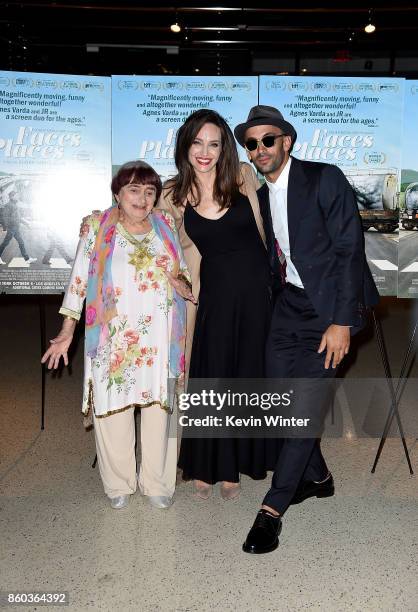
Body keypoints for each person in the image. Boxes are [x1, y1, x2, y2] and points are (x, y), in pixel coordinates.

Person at [233, 105, 380, 553]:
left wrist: (341, 322)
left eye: (267, 140)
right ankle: (316, 476)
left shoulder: (323, 177)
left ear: (287, 142)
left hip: (329, 310)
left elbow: (349, 249)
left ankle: (273, 509)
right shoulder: (259, 194)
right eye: (251, 143)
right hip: (289, 307)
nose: (259, 149)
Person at [41, 161, 192, 510]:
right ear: (118, 193)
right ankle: (119, 482)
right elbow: (79, 281)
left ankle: (157, 481)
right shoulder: (96, 226)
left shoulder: (165, 224)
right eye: (134, 190)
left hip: (158, 338)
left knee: (161, 409)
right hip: (114, 338)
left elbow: (183, 278)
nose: (142, 198)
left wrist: (177, 281)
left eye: (150, 191)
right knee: (112, 409)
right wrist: (67, 332)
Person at [157, 109, 281, 500]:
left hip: (258, 295)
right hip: (212, 298)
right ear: (185, 146)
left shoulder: (242, 177)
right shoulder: (171, 194)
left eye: (214, 143)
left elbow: (279, 209)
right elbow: (149, 239)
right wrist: (100, 220)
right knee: (213, 376)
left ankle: (240, 462)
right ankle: (210, 463)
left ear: (224, 146)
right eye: (197, 143)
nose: (205, 152)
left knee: (249, 374)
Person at [0, 190, 36, 265]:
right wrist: (4, 228)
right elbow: (4, 217)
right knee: (5, 243)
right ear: (12, 197)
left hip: (16, 228)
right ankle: (27, 259)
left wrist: (26, 223)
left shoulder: (15, 205)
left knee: (21, 242)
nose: (17, 197)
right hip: (11, 228)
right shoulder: (8, 205)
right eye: (16, 196)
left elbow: (18, 218)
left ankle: (27, 259)